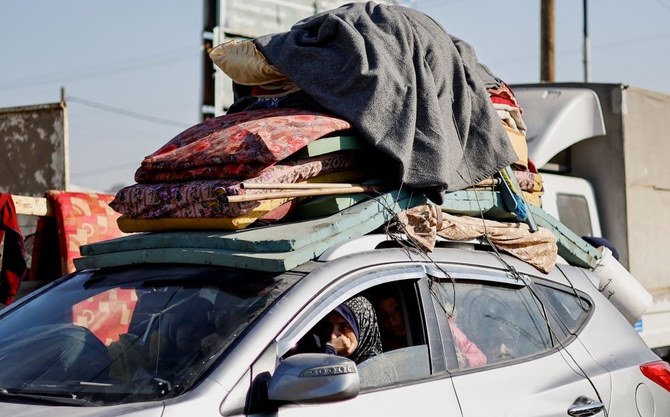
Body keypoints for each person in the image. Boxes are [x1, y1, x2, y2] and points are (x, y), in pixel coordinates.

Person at [374, 291, 487, 368]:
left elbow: (480, 357)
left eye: (396, 310)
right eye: (383, 315)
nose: (391, 320)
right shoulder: (383, 348)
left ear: (408, 308)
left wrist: (463, 361)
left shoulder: (443, 330)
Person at [319, 296, 383, 364]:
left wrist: (331, 352)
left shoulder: (374, 365)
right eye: (329, 327)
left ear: (363, 329)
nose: (332, 336)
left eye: (344, 327)